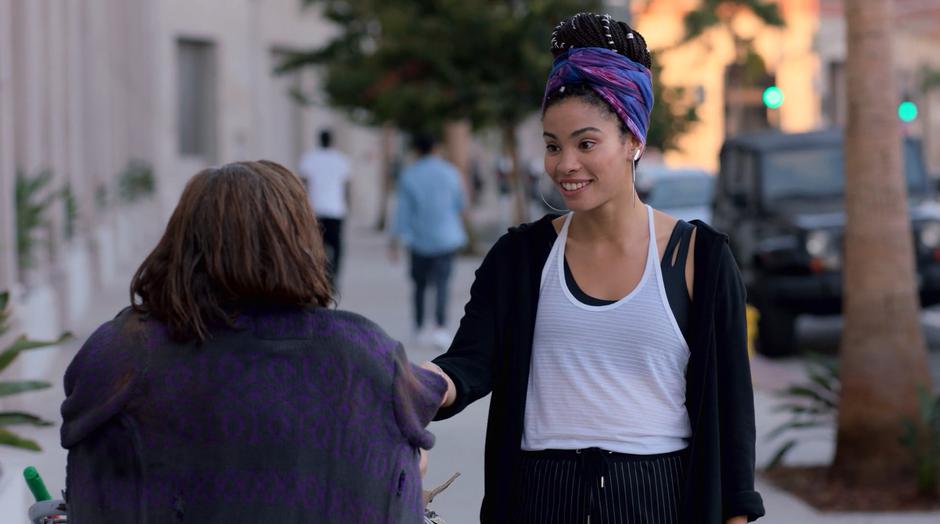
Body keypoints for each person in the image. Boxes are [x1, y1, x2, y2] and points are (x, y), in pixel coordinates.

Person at [419, 12, 764, 524]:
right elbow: (470, 362)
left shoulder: (699, 258)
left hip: (658, 499)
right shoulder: (521, 257)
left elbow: (732, 416)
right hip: (540, 500)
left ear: (632, 141)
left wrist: (735, 514)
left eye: (586, 143)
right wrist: (418, 385)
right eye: (553, 146)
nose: (565, 165)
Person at [60, 161, 445, 523]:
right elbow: (424, 401)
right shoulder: (364, 349)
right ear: (300, 244)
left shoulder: (128, 348)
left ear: (181, 242)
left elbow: (82, 429)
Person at [390, 133, 468, 350]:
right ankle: (441, 327)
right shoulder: (451, 173)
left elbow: (402, 213)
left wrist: (394, 241)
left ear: (417, 151)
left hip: (419, 239)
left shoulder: (409, 175)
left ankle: (419, 326)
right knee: (442, 283)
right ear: (436, 148)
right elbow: (462, 204)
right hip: (446, 237)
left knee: (419, 284)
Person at [299, 129, 351, 290]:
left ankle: (318, 278)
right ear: (332, 141)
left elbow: (303, 185)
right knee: (337, 247)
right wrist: (347, 205)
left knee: (316, 247)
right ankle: (334, 278)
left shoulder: (309, 159)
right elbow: (346, 186)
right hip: (335, 209)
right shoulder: (341, 159)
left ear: (319, 141)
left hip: (315, 210)